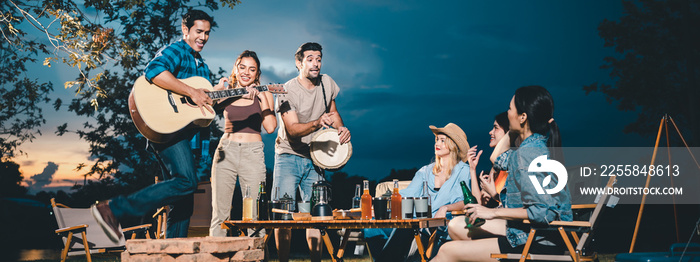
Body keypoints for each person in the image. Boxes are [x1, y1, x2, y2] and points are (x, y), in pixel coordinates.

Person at [90, 10, 235, 241]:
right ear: (185, 30)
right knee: (187, 182)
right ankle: (114, 209)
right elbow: (154, 70)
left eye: (207, 33)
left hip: (184, 133)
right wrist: (191, 91)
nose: (203, 37)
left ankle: (173, 253)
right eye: (199, 31)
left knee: (184, 202)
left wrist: (223, 96)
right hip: (168, 131)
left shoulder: (202, 66)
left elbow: (201, 109)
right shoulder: (178, 50)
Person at [432, 85, 573, 262]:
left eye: (510, 108)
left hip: (538, 241)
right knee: (455, 226)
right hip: (530, 233)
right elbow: (496, 159)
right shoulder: (530, 147)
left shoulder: (529, 154)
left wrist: (492, 213)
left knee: (447, 251)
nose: (507, 113)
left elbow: (543, 212)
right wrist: (519, 129)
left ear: (523, 116)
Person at [273, 42, 351, 262]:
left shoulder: (327, 83)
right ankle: (282, 260)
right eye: (310, 59)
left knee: (318, 214)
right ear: (298, 62)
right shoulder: (287, 90)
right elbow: (293, 130)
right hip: (288, 155)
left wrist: (341, 128)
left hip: (316, 158)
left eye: (318, 58)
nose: (315, 63)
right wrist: (318, 122)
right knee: (284, 215)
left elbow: (333, 112)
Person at [364, 123, 472, 261]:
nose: (437, 143)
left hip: (438, 226)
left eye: (442, 140)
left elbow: (465, 201)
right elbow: (407, 194)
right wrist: (380, 205)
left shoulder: (463, 171)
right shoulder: (425, 171)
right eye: (436, 140)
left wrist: (446, 207)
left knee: (408, 226)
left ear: (453, 145)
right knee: (370, 228)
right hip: (414, 223)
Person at [209, 50, 277, 237]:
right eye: (242, 67)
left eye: (252, 69)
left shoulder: (265, 93)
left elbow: (271, 127)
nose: (246, 72)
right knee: (220, 214)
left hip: (252, 154)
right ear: (236, 69)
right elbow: (210, 104)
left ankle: (255, 257)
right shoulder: (226, 91)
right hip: (225, 152)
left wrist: (262, 99)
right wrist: (219, 87)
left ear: (257, 74)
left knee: (254, 215)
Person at [447, 112, 510, 241]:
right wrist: (472, 169)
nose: (490, 132)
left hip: (505, 225)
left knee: (455, 226)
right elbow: (478, 202)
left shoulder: (513, 164)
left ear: (508, 133)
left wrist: (494, 194)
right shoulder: (496, 168)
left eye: (496, 128)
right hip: (490, 220)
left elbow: (514, 207)